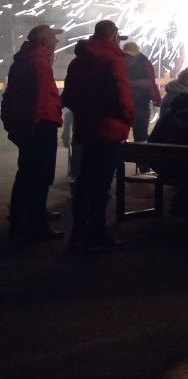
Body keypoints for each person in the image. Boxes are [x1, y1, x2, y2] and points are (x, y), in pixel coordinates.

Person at [61, 20, 134, 253]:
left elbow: (69, 97)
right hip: (108, 128)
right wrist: (128, 117)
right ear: (113, 36)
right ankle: (97, 233)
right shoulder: (112, 61)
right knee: (101, 184)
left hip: (86, 127)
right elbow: (121, 93)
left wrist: (85, 113)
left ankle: (78, 233)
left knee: (84, 182)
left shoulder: (78, 61)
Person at [2, 24, 65, 241]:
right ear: (43, 41)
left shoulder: (25, 59)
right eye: (52, 39)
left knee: (27, 173)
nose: (56, 42)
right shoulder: (39, 62)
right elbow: (38, 98)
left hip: (28, 124)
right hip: (39, 125)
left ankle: (20, 218)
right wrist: (37, 124)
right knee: (40, 175)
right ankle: (36, 224)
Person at [122, 42, 162, 144]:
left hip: (135, 103)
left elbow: (150, 82)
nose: (128, 58)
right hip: (136, 103)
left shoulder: (120, 62)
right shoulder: (145, 62)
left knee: (137, 135)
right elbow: (150, 82)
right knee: (138, 135)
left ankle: (131, 155)